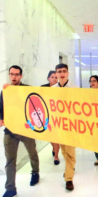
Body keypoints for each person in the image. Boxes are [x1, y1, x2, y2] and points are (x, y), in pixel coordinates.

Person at [0, 65, 40, 197]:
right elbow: (1, 107)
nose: (14, 77)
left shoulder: (27, 89)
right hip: (10, 131)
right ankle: (10, 188)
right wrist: (1, 118)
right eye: (11, 74)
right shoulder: (5, 91)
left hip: (26, 129)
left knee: (32, 153)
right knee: (10, 160)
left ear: (21, 76)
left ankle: (35, 172)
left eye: (16, 74)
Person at [52, 63, 77, 191]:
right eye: (59, 71)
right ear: (56, 74)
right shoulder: (52, 89)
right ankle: (69, 170)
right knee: (64, 152)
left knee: (71, 153)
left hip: (72, 126)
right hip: (59, 126)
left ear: (67, 73)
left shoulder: (75, 89)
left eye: (64, 71)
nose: (61, 73)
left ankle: (69, 178)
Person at [41, 71, 60, 165]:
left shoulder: (61, 88)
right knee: (48, 135)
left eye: (56, 77)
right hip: (45, 115)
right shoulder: (43, 87)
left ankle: (56, 157)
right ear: (48, 78)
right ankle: (53, 147)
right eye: (52, 77)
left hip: (57, 115)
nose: (54, 79)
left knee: (56, 137)